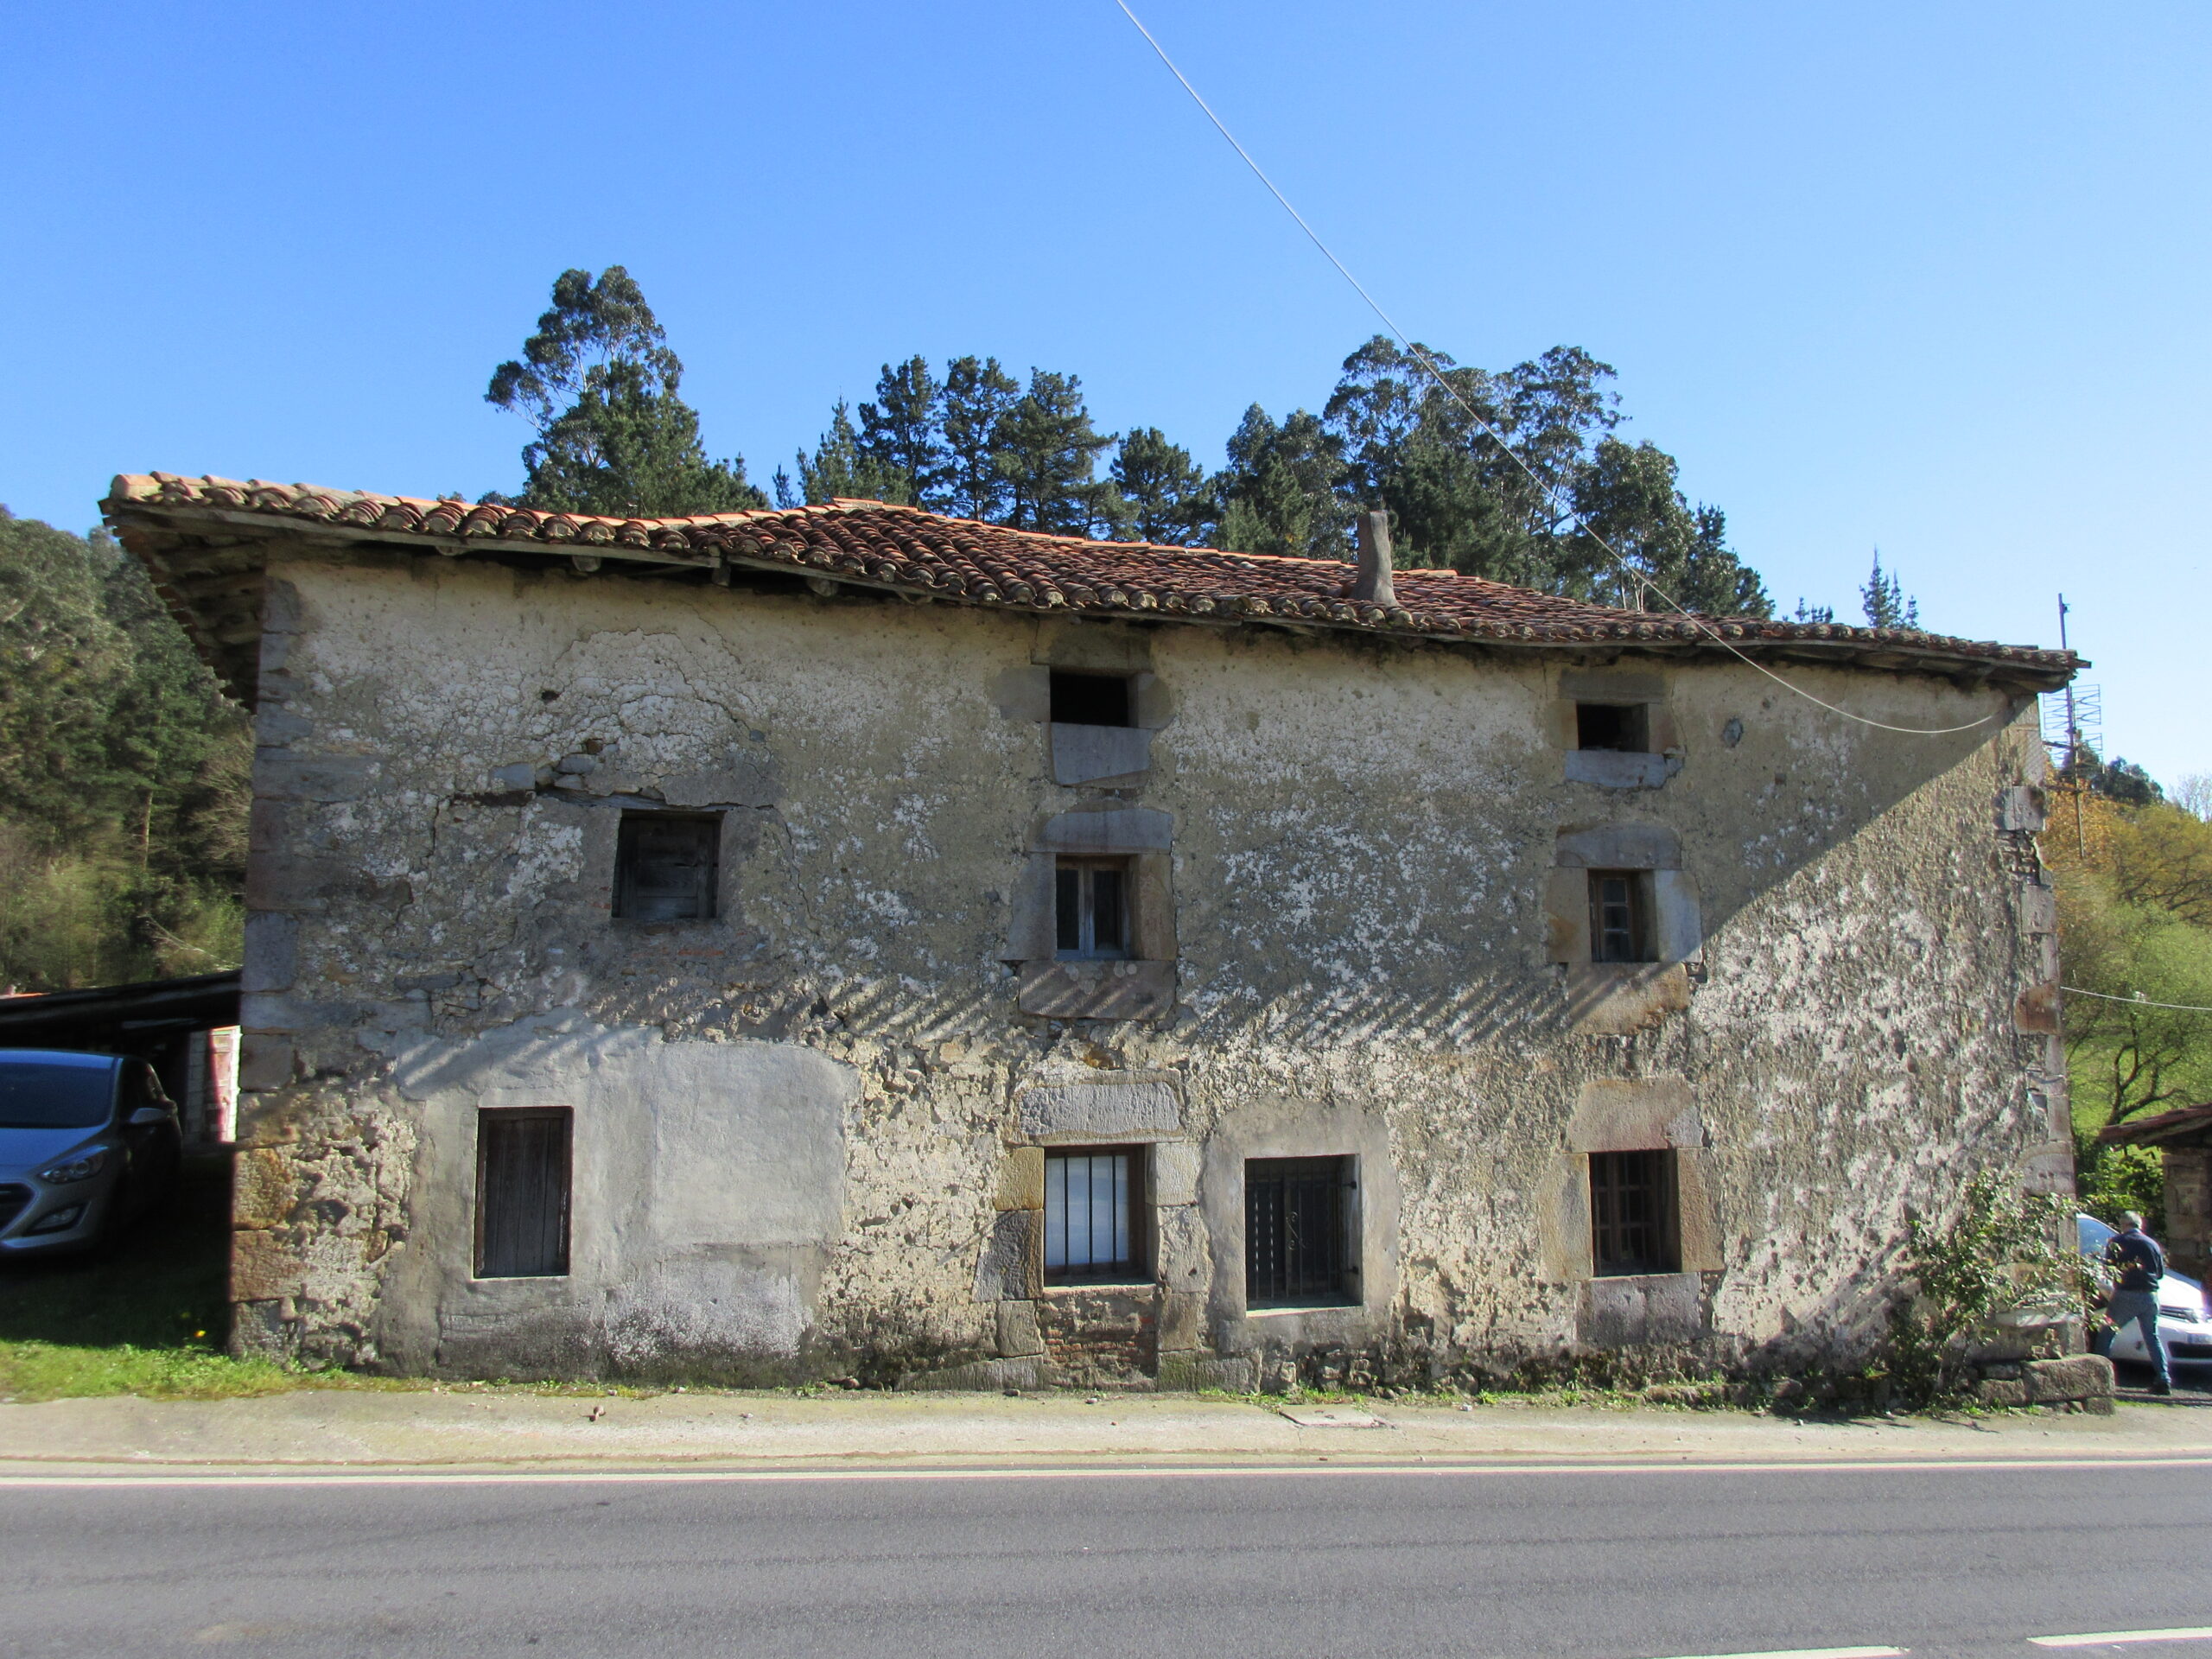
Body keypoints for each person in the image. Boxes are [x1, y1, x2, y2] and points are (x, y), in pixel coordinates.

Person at [2106, 1211, 2173, 1396]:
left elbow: (2109, 1269)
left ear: (2124, 1224)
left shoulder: (2117, 1242)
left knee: (2107, 1333)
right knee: (2152, 1337)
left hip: (2127, 1293)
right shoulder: (2152, 1244)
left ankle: (2098, 1377)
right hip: (2150, 1295)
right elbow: (2159, 1274)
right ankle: (2163, 1378)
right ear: (2139, 1225)